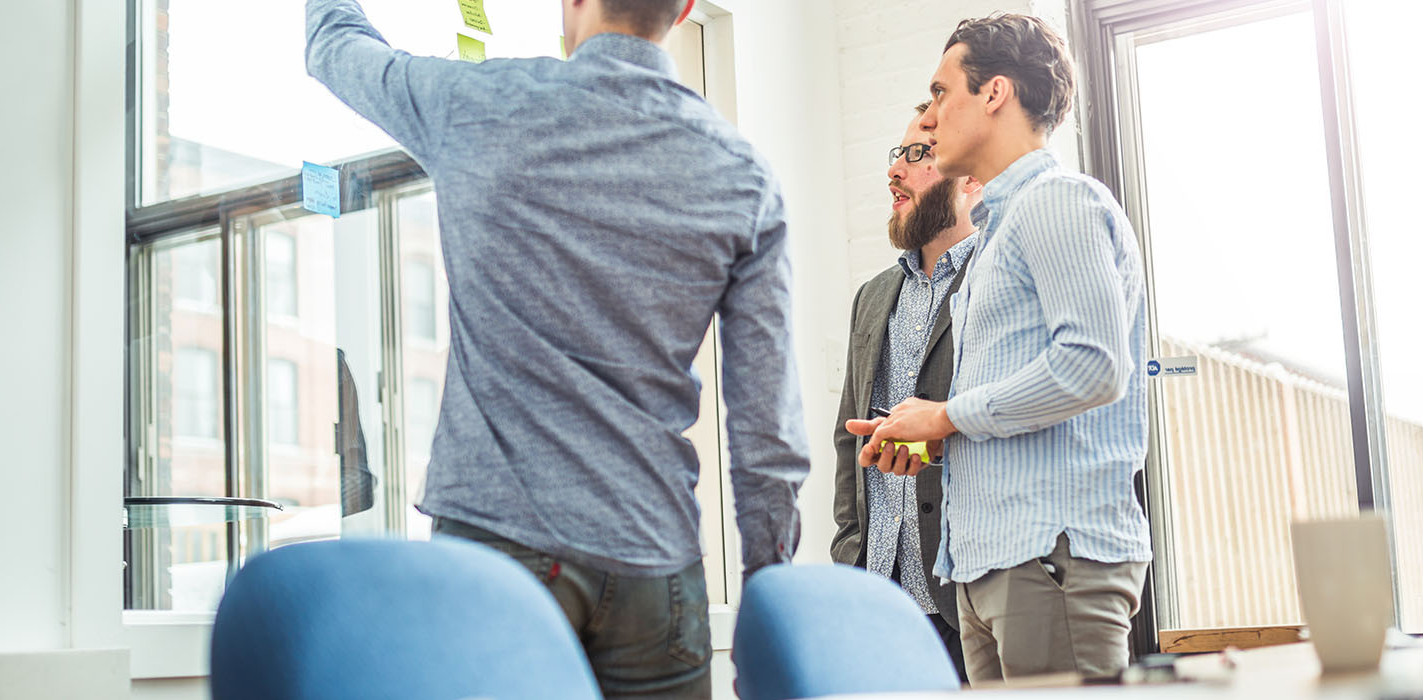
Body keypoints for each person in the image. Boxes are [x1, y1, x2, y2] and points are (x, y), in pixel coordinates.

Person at [307, 1, 809, 696]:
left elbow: (335, 47)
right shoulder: (742, 175)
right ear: (686, 8)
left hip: (498, 547)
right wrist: (767, 594)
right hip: (653, 563)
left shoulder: (477, 102)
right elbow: (768, 433)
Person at [846, 13, 1152, 682]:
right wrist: (931, 436)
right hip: (988, 566)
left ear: (994, 94)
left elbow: (1094, 368)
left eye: (940, 91)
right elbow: (1029, 399)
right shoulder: (996, 236)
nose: (931, 115)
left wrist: (946, 415)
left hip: (1050, 557)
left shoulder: (1056, 203)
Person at [829, 102, 982, 681]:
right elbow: (848, 441)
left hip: (964, 587)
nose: (896, 171)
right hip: (880, 595)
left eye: (919, 155)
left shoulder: (993, 277)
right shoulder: (871, 296)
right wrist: (850, 556)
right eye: (898, 155)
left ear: (970, 179)